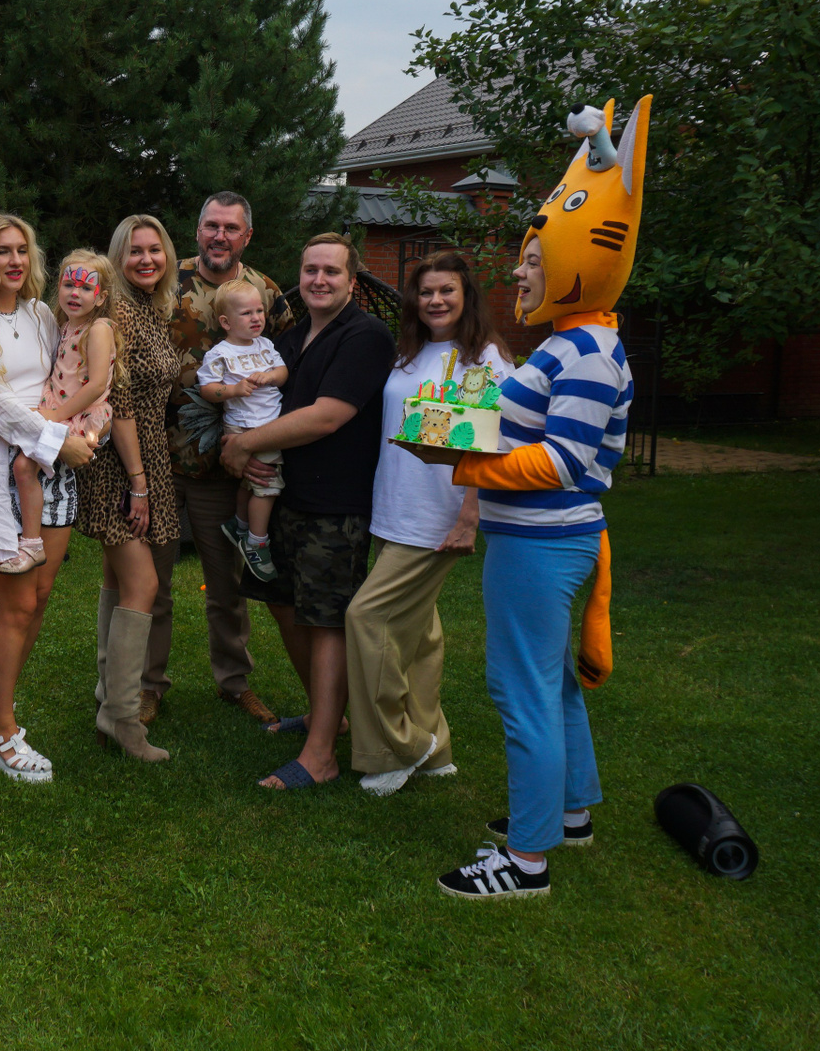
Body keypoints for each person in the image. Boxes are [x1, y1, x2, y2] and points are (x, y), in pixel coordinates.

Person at [412, 96, 648, 900]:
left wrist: (464, 464)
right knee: (550, 684)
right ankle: (568, 815)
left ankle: (526, 862)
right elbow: (515, 415)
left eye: (534, 260)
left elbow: (561, 460)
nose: (519, 271)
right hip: (538, 542)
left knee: (523, 693)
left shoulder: (587, 351)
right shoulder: (568, 343)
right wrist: (458, 414)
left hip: (542, 545)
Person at [219, 234, 395, 790]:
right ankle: (328, 716)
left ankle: (321, 756)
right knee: (283, 605)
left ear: (352, 280)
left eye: (332, 271)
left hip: (334, 503)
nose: (319, 279)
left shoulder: (365, 335)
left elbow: (326, 416)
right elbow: (259, 400)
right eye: (310, 269)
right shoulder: (289, 339)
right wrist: (238, 439)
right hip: (284, 494)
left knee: (325, 620)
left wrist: (246, 445)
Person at [346, 251, 509, 799]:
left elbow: (491, 443)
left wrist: (470, 516)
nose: (435, 300)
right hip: (395, 508)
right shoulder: (410, 353)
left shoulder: (482, 359)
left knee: (368, 619)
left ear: (466, 296)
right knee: (418, 637)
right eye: (425, 291)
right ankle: (436, 750)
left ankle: (397, 747)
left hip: (438, 516)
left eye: (447, 290)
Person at [0, 216, 97, 784]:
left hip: (54, 463)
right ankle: (0, 735)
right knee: (17, 607)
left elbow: (66, 376)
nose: (13, 261)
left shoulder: (39, 314)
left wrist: (84, 429)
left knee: (42, 594)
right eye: (1, 251)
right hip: (1, 469)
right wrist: (58, 439)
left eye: (21, 251)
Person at [154, 193, 295, 728]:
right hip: (159, 456)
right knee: (151, 584)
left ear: (246, 236)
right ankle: (146, 685)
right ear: (197, 230)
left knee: (227, 587)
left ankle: (234, 682)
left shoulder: (266, 293)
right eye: (211, 225)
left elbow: (289, 365)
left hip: (227, 467)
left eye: (231, 228)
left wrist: (262, 442)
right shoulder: (166, 280)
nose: (219, 236)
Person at [76, 214, 179, 763]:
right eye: (135, 250)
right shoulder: (118, 313)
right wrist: (139, 484)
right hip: (121, 466)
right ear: (117, 258)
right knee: (143, 584)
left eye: (154, 250)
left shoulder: (150, 309)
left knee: (119, 580)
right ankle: (122, 718)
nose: (146, 259)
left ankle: (107, 703)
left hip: (144, 460)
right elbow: (119, 403)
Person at [7, 250, 117, 569]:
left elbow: (96, 385)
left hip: (78, 413)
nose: (75, 293)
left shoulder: (99, 329)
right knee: (24, 466)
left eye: (86, 288)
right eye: (69, 285)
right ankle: (21, 535)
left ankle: (31, 544)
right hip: (59, 406)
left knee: (24, 467)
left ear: (101, 297)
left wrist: (56, 417)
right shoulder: (65, 326)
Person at [196, 278, 288, 583]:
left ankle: (239, 524)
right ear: (226, 322)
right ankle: (256, 542)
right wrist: (234, 390)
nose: (256, 318)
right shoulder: (220, 353)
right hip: (244, 424)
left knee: (252, 482)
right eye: (247, 313)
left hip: (269, 424)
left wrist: (270, 376)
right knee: (268, 485)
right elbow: (207, 389)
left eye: (259, 311)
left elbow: (283, 372)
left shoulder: (266, 346)